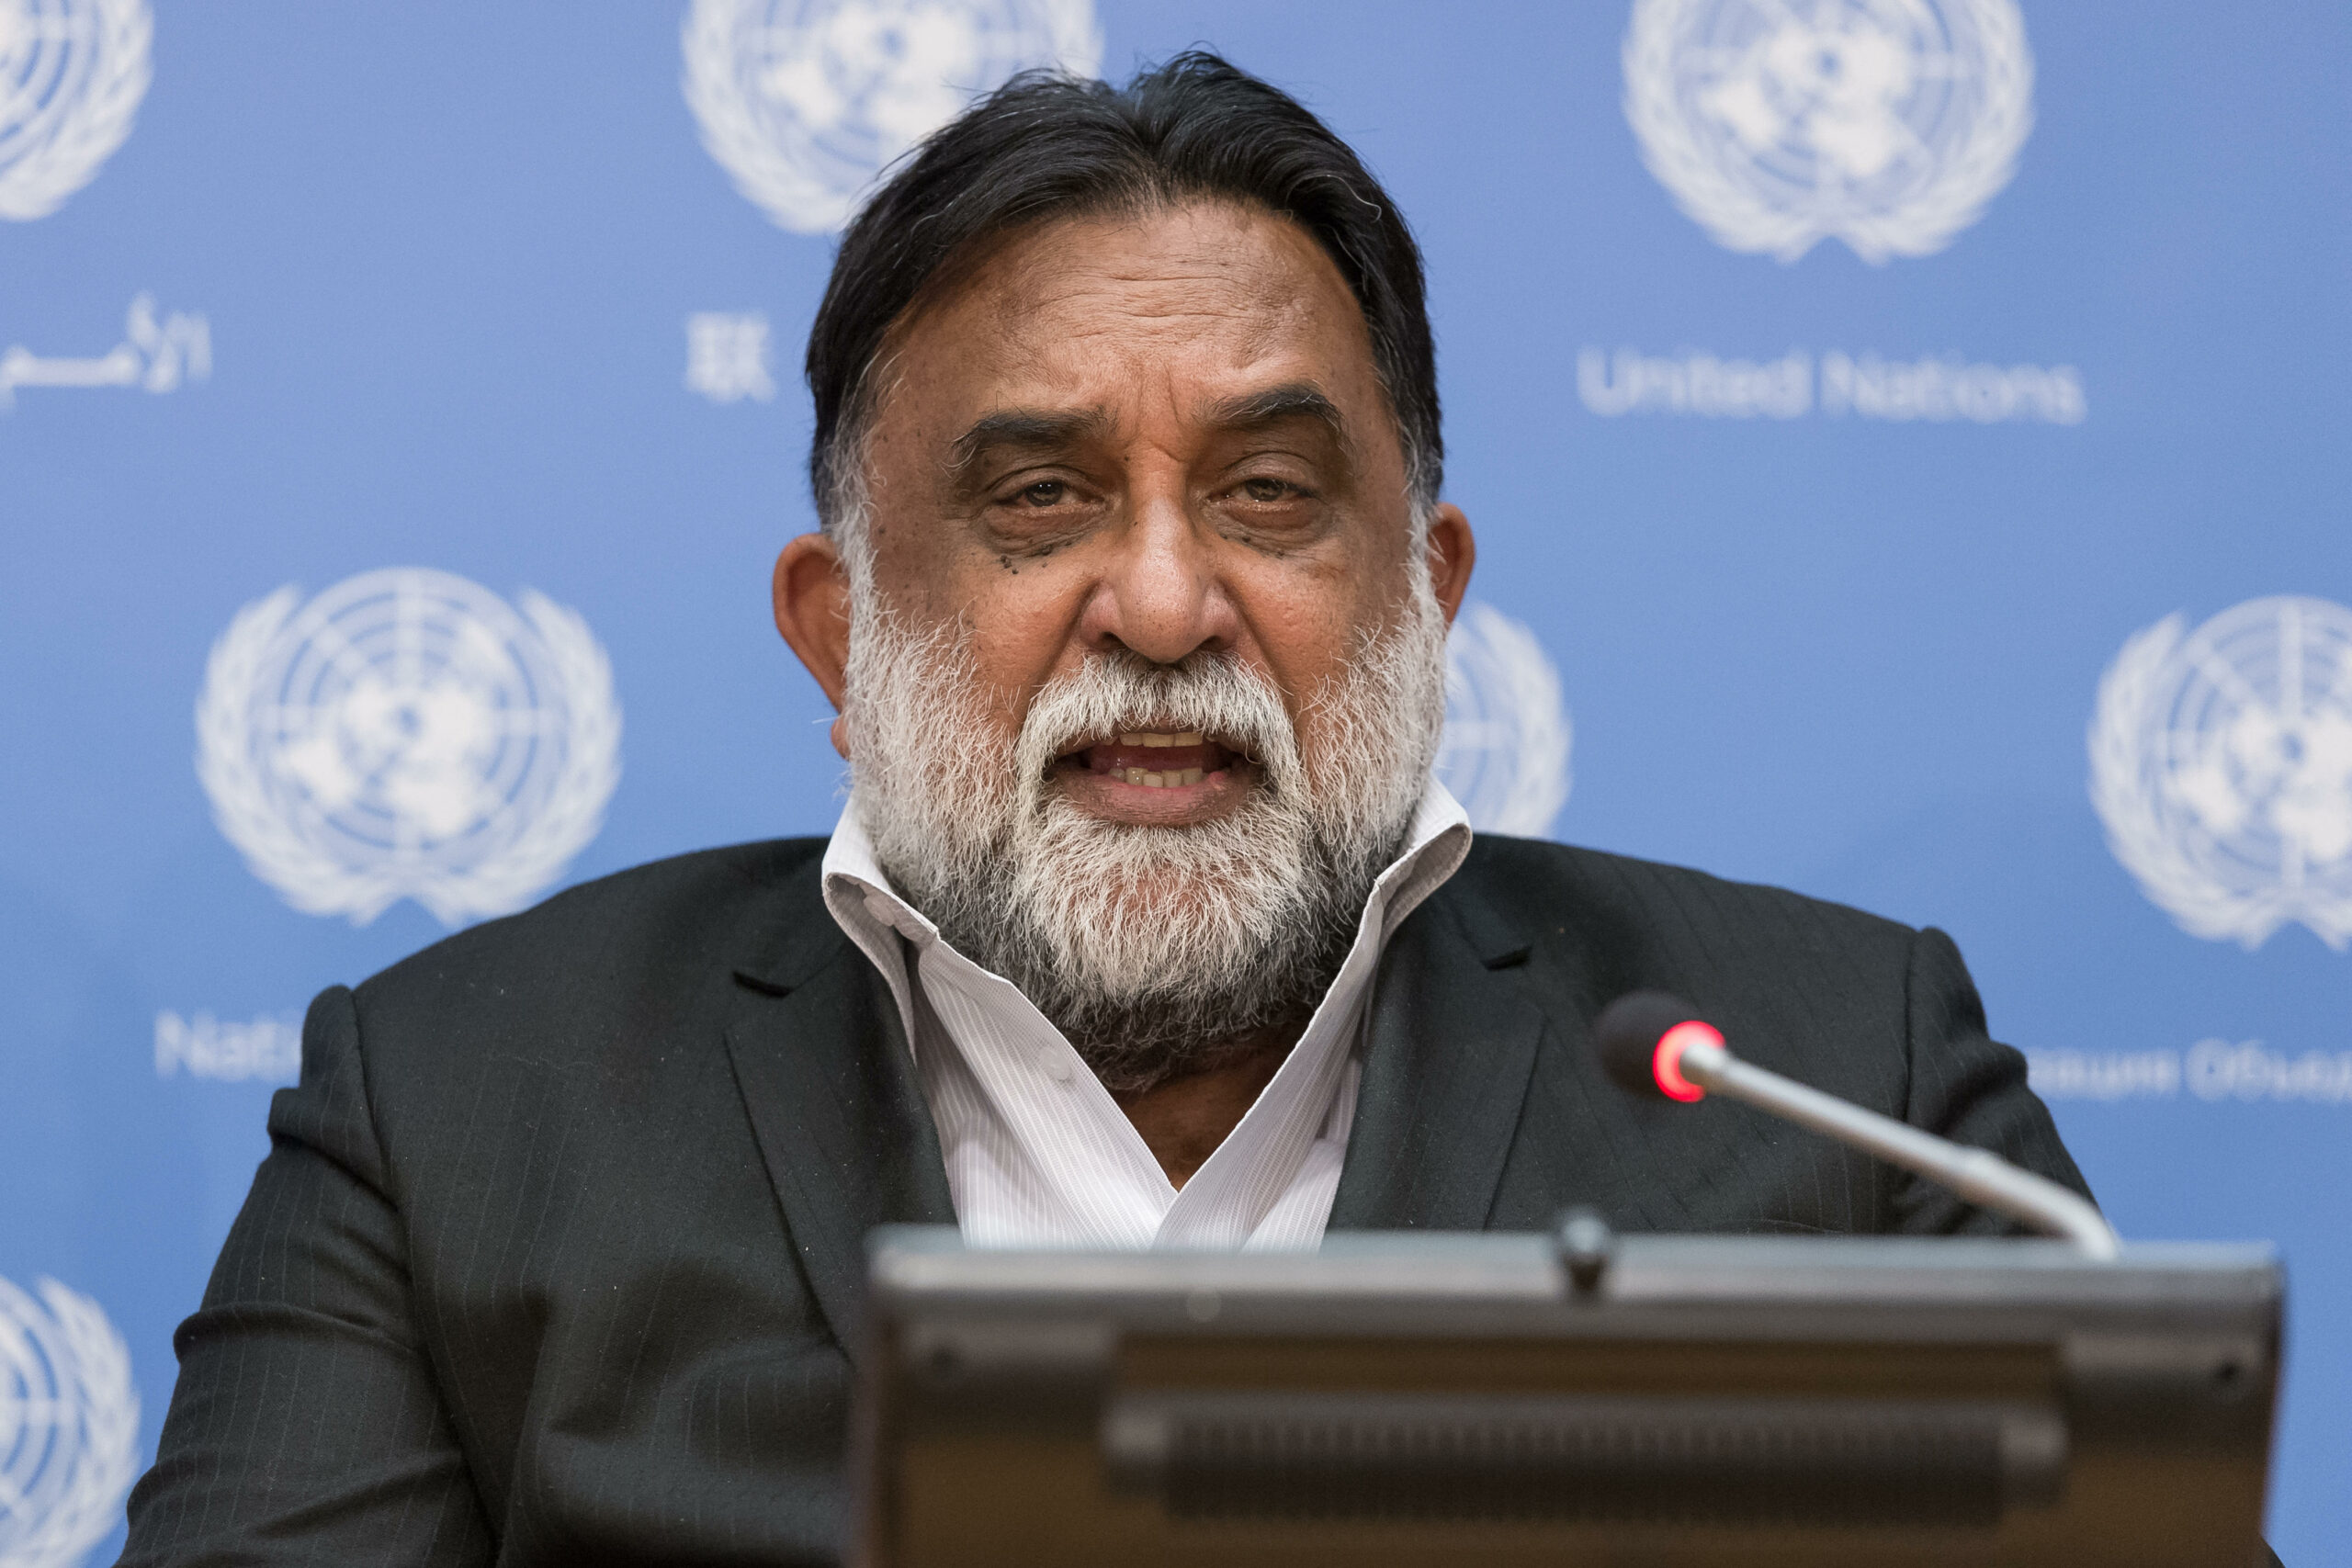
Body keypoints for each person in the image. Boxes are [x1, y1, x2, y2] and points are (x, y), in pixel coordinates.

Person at [117, 53, 2091, 1566]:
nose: (1159, 605)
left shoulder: (1828, 1078)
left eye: (1267, 494)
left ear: (1428, 594)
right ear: (840, 629)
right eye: (1036, 499)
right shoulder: (464, 1106)